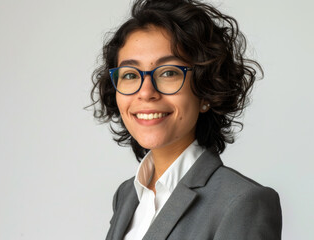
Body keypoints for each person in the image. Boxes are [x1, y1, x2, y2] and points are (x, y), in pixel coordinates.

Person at [89, 0, 282, 239]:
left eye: (168, 72)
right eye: (130, 74)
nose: (146, 92)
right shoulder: (127, 195)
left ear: (206, 92)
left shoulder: (243, 202)